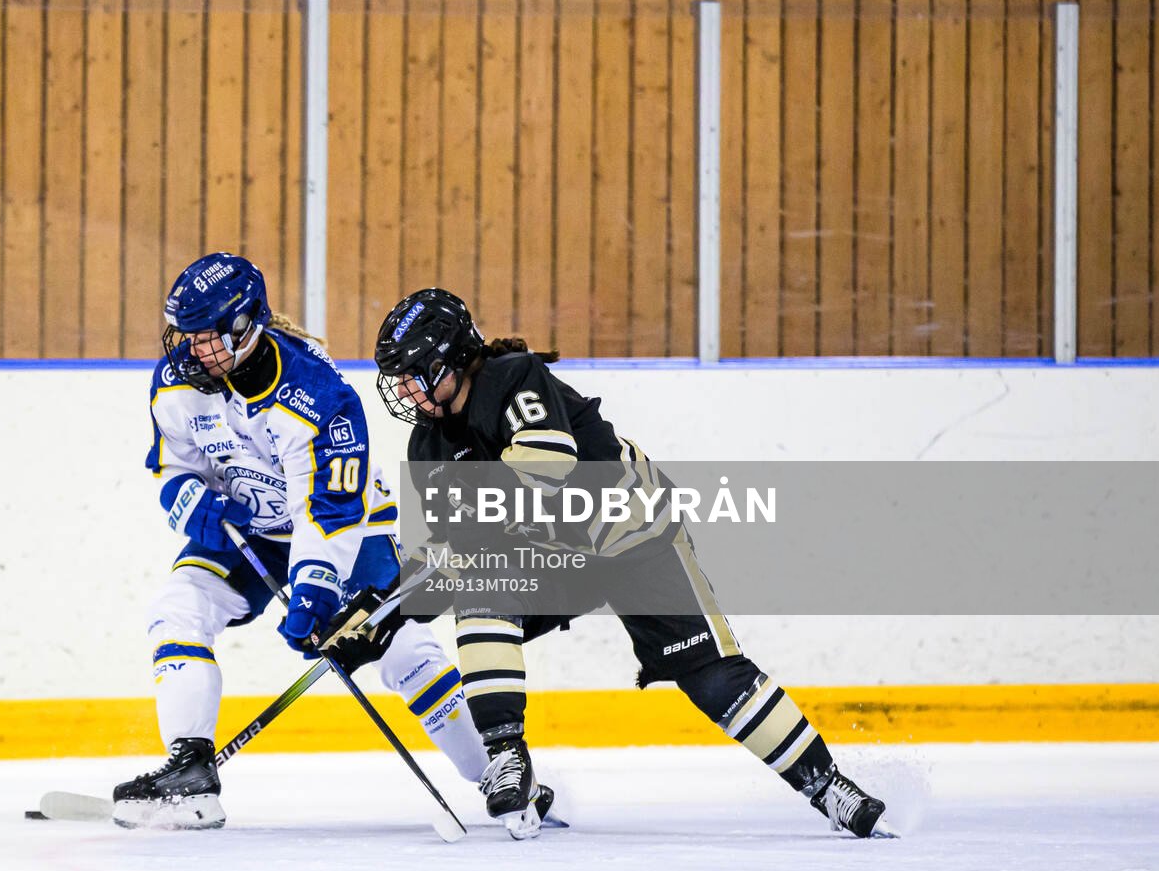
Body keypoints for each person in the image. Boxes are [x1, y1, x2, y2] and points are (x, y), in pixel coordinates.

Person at [372, 287, 887, 839]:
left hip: (634, 537)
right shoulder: (427, 447)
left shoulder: (513, 378)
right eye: (398, 379)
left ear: (451, 358)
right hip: (560, 557)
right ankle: (506, 758)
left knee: (711, 676)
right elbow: (446, 561)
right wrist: (376, 614)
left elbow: (546, 464)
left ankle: (828, 784)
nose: (405, 390)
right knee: (481, 590)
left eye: (414, 373)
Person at [111, 255, 491, 829]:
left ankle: (497, 773)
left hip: (350, 526)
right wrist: (195, 504)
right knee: (178, 609)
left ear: (245, 328)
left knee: (402, 650)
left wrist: (313, 588)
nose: (189, 349)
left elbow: (331, 509)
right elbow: (171, 465)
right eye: (183, 334)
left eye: (205, 336)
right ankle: (191, 773)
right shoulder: (175, 382)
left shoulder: (319, 395)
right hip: (253, 532)